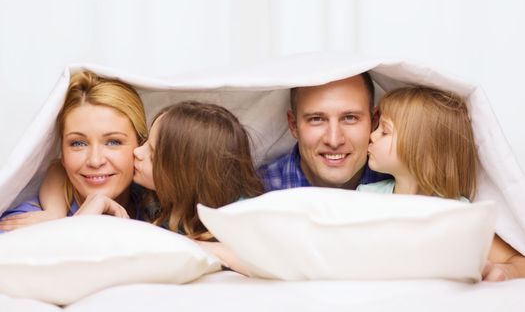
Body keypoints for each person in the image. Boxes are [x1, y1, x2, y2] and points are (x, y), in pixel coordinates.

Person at [359, 85, 525, 281]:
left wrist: (503, 272)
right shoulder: (365, 197)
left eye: (384, 131)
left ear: (421, 150)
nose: (372, 135)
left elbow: (519, 261)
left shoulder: (459, 213)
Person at [0, 70, 148, 231]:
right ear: (62, 153)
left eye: (113, 142)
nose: (95, 161)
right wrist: (70, 229)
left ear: (141, 146)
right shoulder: (26, 225)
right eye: (78, 143)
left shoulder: (154, 203)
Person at [133, 101, 264, 240]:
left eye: (153, 157)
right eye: (145, 140)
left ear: (185, 178)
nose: (137, 151)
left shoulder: (240, 219)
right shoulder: (143, 193)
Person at [259, 72, 389, 191]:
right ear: (294, 125)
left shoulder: (403, 187)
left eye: (350, 118)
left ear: (374, 121)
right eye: (316, 119)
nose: (334, 141)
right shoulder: (256, 193)